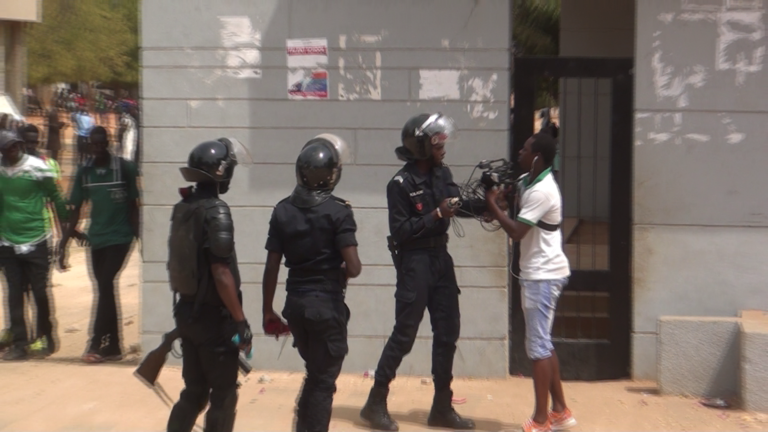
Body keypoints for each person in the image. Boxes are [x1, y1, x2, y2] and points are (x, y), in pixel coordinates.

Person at [360, 113, 475, 431]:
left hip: (441, 258)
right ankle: (375, 402)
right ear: (422, 146)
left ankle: (441, 407)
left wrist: (492, 203)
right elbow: (400, 231)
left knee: (448, 332)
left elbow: (458, 204)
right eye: (438, 143)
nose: (443, 149)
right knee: (405, 334)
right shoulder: (399, 184)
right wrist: (436, 213)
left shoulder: (442, 173)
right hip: (415, 263)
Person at [262, 134, 362, 432]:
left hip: (295, 306)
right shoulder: (339, 211)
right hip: (326, 308)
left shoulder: (282, 210)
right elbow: (354, 267)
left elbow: (271, 266)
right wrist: (343, 268)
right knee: (323, 382)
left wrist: (268, 311)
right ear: (332, 175)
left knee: (315, 374)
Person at [485, 133, 576, 432]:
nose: (520, 152)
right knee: (543, 344)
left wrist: (494, 207)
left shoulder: (544, 191)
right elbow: (512, 196)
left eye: (525, 149)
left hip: (544, 275)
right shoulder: (529, 180)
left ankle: (540, 421)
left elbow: (516, 232)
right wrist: (499, 198)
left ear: (537, 157)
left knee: (537, 347)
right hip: (538, 272)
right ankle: (560, 411)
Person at [165, 138, 253, 432]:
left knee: (194, 392)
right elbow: (221, 272)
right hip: (213, 320)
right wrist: (240, 321)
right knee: (224, 395)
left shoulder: (183, 206)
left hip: (187, 313)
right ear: (220, 172)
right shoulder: (217, 210)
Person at [58, 126, 140, 363]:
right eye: (94, 144)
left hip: (121, 237)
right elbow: (75, 211)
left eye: (102, 143)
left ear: (108, 143)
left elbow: (134, 209)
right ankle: (113, 345)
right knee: (104, 288)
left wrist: (141, 240)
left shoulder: (124, 168)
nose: (99, 148)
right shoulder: (84, 173)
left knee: (105, 283)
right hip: (97, 239)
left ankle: (95, 342)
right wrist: (63, 243)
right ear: (89, 145)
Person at [0, 130, 68, 360]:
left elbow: (56, 198)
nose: (12, 151)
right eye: (6, 148)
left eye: (14, 146)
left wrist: (65, 233)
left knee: (39, 292)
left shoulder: (39, 167)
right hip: (7, 242)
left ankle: (46, 338)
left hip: (37, 239)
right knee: (14, 295)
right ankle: (19, 343)